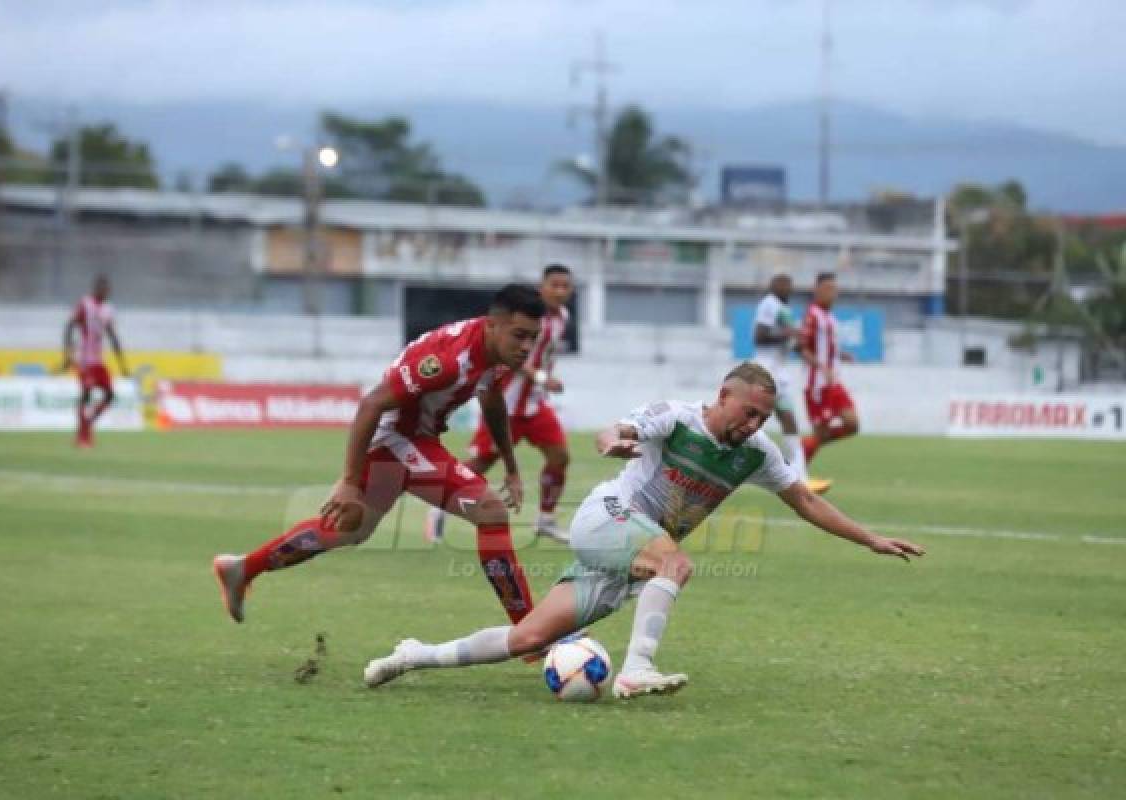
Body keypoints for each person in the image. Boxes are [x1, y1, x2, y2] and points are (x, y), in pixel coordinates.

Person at [363, 362, 924, 699]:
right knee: (676, 563)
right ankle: (636, 670)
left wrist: (869, 538)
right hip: (608, 517)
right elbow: (618, 429)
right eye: (746, 412)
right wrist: (615, 441)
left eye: (762, 418)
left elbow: (804, 501)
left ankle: (413, 654)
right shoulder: (677, 417)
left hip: (630, 553)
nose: (752, 425)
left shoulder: (756, 453)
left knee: (530, 639)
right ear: (722, 397)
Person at [213, 284, 548, 627]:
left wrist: (510, 465)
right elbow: (372, 403)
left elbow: (491, 399)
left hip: (414, 437)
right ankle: (532, 633)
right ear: (493, 324)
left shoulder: (495, 352)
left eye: (532, 339)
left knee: (349, 531)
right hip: (398, 437)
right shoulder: (449, 361)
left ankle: (243, 568)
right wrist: (349, 482)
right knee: (490, 511)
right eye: (519, 336)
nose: (526, 347)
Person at [425, 264, 574, 544]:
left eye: (566, 286)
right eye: (555, 285)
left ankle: (546, 519)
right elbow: (512, 357)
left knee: (559, 457)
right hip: (506, 402)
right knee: (483, 461)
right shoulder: (524, 317)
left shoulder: (562, 317)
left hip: (535, 404)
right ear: (542, 287)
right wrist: (542, 376)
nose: (560, 291)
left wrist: (541, 381)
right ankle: (438, 503)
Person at [752, 274, 831, 494]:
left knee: (788, 420)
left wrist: (818, 363)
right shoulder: (770, 304)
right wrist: (788, 333)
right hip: (766, 370)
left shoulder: (785, 310)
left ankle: (800, 475)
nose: (788, 289)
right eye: (784, 285)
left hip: (779, 373)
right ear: (774, 286)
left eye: (789, 285)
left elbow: (794, 344)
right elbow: (760, 336)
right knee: (754, 418)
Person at [61, 275, 129, 448]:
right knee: (87, 394)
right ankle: (83, 437)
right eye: (105, 289)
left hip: (98, 360)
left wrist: (122, 364)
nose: (107, 293)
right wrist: (68, 354)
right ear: (97, 289)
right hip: (85, 359)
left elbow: (112, 335)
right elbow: (69, 326)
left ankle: (87, 425)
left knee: (110, 395)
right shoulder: (85, 304)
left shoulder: (107, 309)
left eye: (108, 290)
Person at [798, 272, 859, 464]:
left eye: (834, 289)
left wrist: (841, 355)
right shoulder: (812, 315)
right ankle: (798, 470)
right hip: (817, 384)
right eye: (827, 289)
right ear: (816, 290)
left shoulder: (830, 317)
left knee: (852, 424)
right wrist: (821, 367)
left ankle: (800, 451)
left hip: (833, 381)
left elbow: (827, 347)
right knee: (821, 434)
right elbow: (801, 348)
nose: (831, 293)